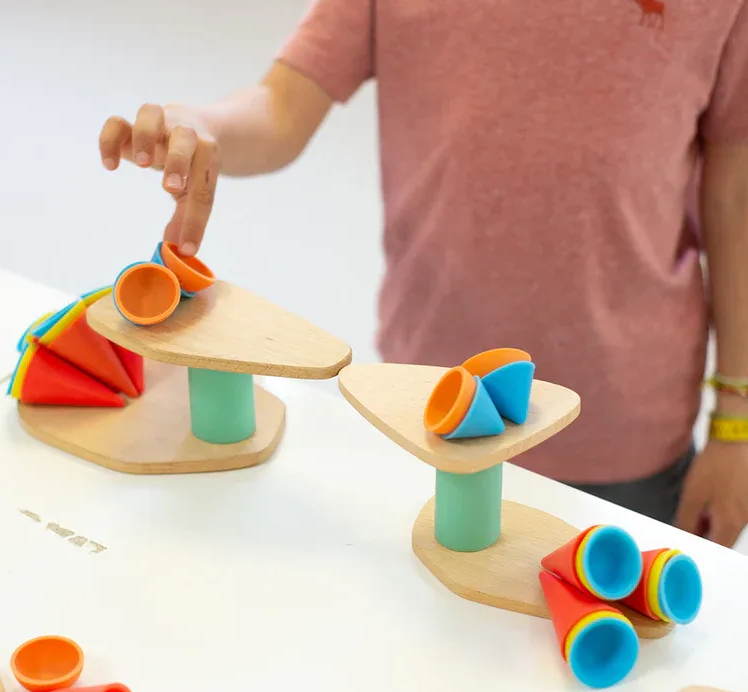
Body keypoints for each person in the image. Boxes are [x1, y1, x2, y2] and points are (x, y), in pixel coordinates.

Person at [99, 0, 748, 546]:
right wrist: (202, 125)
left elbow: (734, 200)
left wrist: (737, 427)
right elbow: (280, 110)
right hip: (431, 407)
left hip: (625, 437)